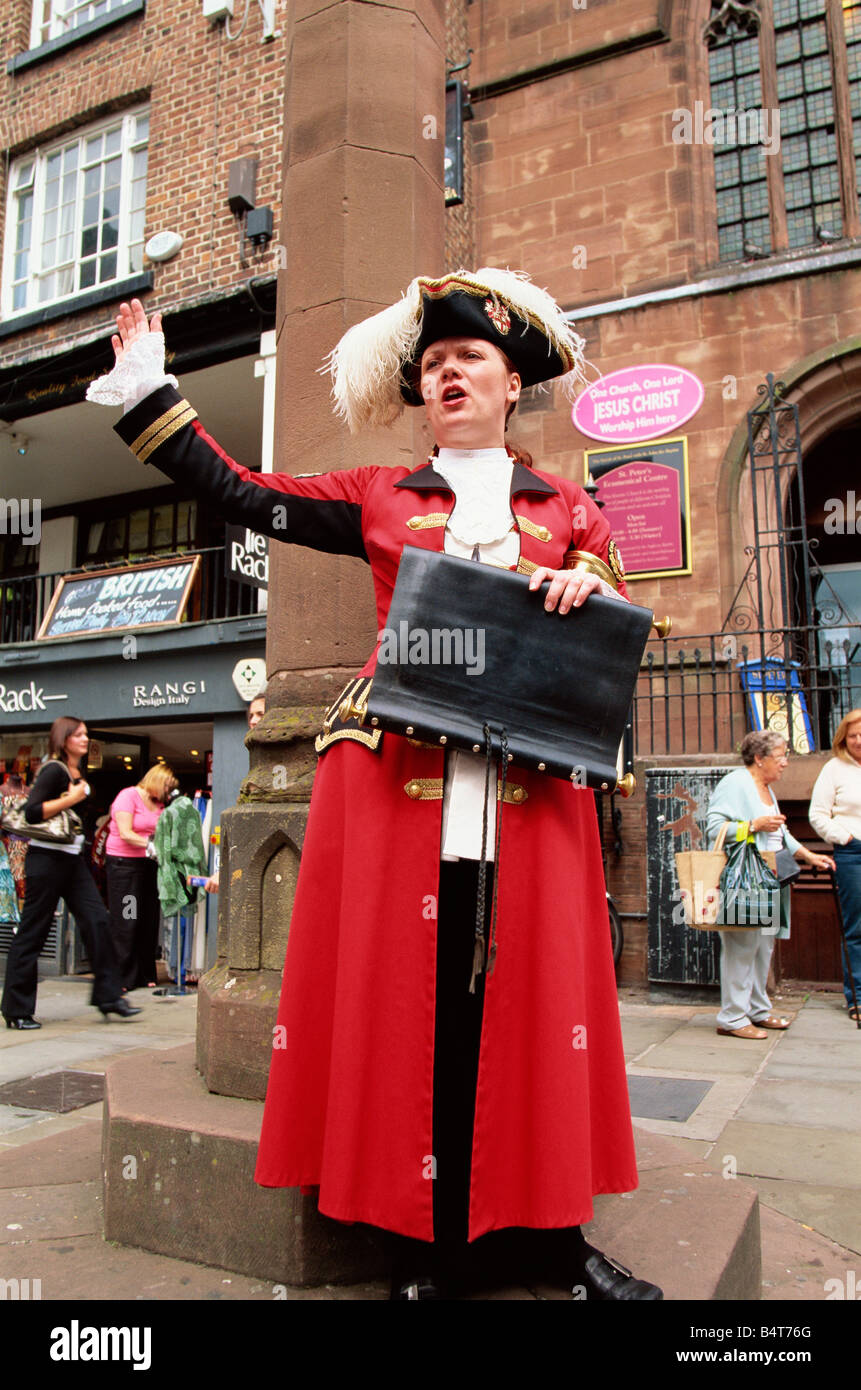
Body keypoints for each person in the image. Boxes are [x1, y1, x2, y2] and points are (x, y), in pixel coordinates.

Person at [91, 273, 658, 1301]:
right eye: (433, 364)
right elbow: (243, 492)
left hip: (532, 790)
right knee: (416, 1012)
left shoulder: (572, 506)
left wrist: (591, 581)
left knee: (534, 1012)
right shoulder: (378, 495)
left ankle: (551, 1241)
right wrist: (149, 392)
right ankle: (417, 1249)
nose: (449, 373)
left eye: (470, 358)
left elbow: (621, 613)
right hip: (400, 784)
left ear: (512, 383)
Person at [1, 717, 142, 1028]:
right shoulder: (54, 770)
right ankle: (16, 1010)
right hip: (46, 860)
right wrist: (72, 798)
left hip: (72, 861)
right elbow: (32, 812)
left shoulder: (79, 771)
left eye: (86, 734)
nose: (85, 739)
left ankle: (109, 997)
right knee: (33, 932)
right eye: (78, 734)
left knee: (98, 921)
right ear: (64, 739)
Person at [707, 729, 834, 1040]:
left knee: (763, 947)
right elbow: (714, 827)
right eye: (780, 756)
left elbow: (781, 834)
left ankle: (758, 1011)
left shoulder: (766, 789)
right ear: (759, 758)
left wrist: (808, 855)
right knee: (741, 949)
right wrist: (754, 825)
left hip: (769, 879)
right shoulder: (736, 783)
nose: (786, 762)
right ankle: (732, 1018)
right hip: (745, 879)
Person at [105, 764, 178, 992]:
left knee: (148, 919)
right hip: (125, 866)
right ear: (157, 781)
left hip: (149, 865)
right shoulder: (128, 796)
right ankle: (122, 976)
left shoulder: (159, 804)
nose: (168, 792)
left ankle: (145, 973)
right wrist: (151, 844)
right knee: (128, 918)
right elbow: (125, 832)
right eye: (167, 787)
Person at [808, 709, 861, 1021]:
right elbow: (817, 815)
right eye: (853, 735)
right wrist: (846, 838)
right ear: (843, 738)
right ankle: (858, 998)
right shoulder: (834, 769)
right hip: (853, 855)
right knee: (857, 928)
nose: (859, 740)